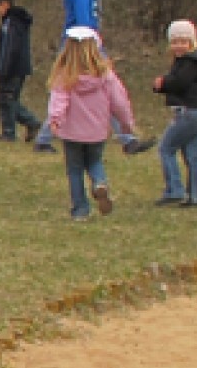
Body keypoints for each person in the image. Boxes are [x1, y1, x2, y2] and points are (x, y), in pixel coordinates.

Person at [44, 27, 137, 222]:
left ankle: (80, 210)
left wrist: (55, 120)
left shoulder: (64, 76)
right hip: (97, 130)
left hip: (72, 132)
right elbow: (120, 102)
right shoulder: (106, 76)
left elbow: (58, 100)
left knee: (75, 169)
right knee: (95, 161)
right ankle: (99, 183)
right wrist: (126, 124)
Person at [35, 0, 120, 151]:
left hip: (86, 42)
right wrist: (94, 46)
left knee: (76, 86)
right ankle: (127, 136)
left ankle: (127, 137)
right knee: (102, 83)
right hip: (80, 44)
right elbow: (84, 23)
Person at [126, 19, 197, 208]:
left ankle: (175, 190)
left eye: (183, 41)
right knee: (192, 155)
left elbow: (180, 83)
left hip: (188, 113)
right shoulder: (190, 62)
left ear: (192, 42)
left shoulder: (190, 62)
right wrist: (163, 86)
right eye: (175, 42)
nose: (178, 46)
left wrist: (162, 83)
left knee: (166, 148)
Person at [0, 0, 40, 141]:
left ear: (5, 4)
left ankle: (11, 131)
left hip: (13, 68)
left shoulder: (14, 23)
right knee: (7, 100)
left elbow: (11, 48)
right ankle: (27, 125)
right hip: (11, 67)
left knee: (8, 99)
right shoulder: (9, 22)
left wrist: (5, 68)